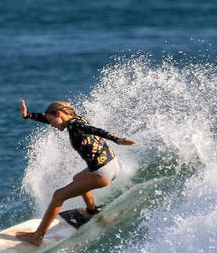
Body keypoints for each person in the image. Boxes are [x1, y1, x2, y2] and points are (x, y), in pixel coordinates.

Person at [16, 100, 135, 245]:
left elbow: (96, 130)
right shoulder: (76, 120)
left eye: (52, 121)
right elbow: (51, 118)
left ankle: (37, 236)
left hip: (102, 172)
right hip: (111, 164)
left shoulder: (75, 125)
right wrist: (28, 115)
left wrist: (117, 139)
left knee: (58, 195)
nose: (52, 125)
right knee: (77, 178)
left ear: (59, 113)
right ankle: (91, 211)